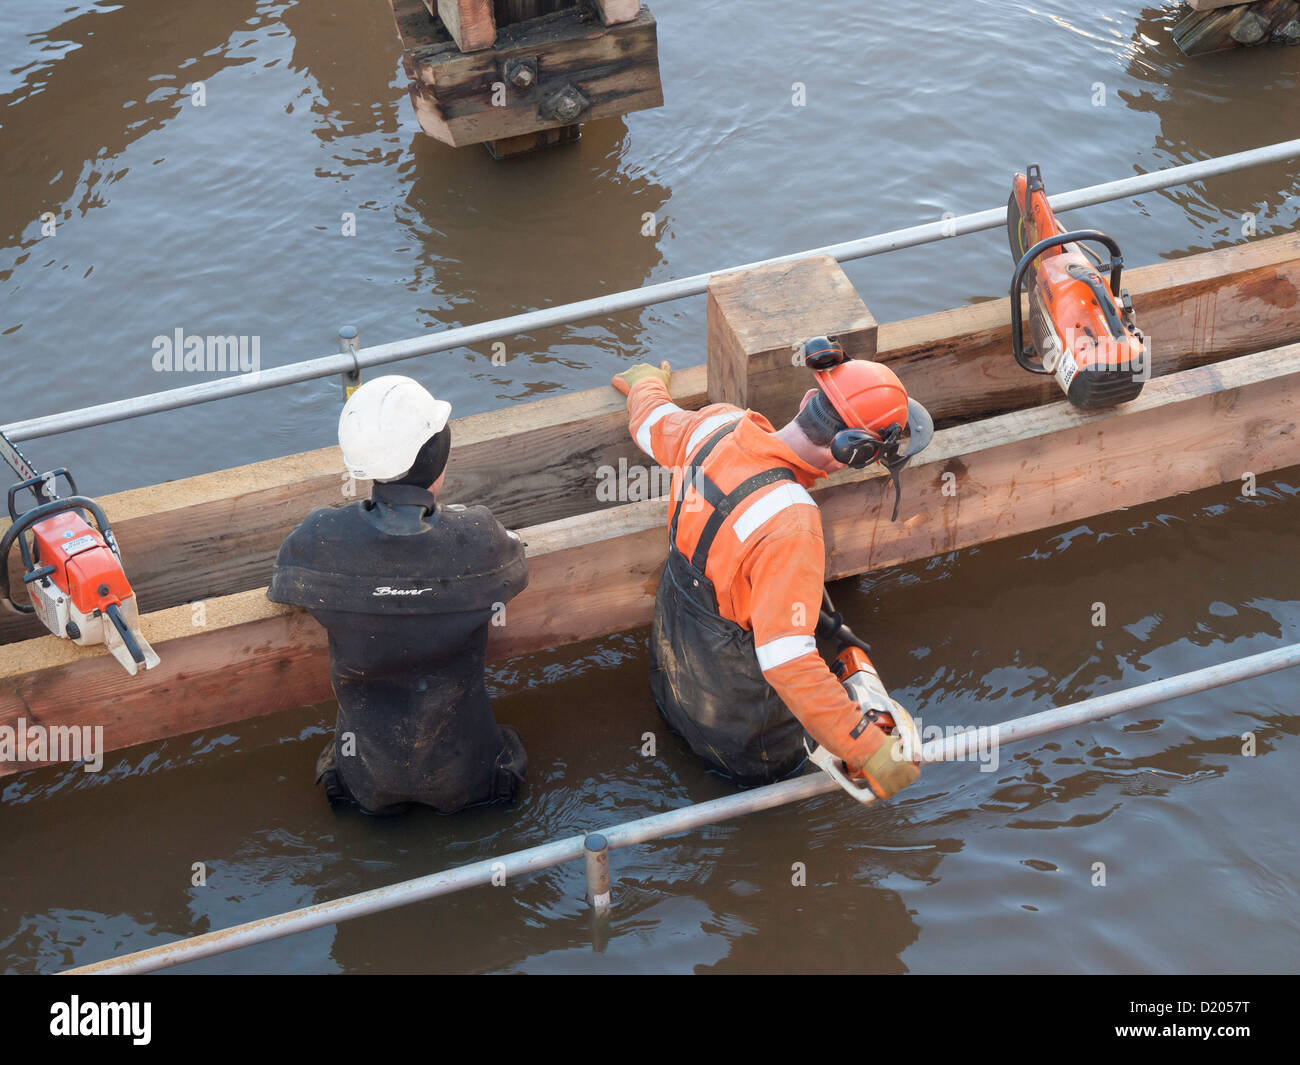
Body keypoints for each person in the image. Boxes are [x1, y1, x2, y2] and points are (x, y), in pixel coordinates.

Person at [612, 337, 933, 796]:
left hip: (676, 674)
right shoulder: (792, 524)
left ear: (808, 399)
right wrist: (868, 751)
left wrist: (645, 382)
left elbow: (650, 423)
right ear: (853, 454)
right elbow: (788, 664)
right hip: (741, 729)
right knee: (772, 787)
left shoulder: (717, 424)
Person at [268, 375, 529, 815]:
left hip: (364, 778)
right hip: (470, 773)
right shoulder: (478, 539)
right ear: (440, 459)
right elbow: (515, 570)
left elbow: (283, 587)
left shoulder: (318, 540)